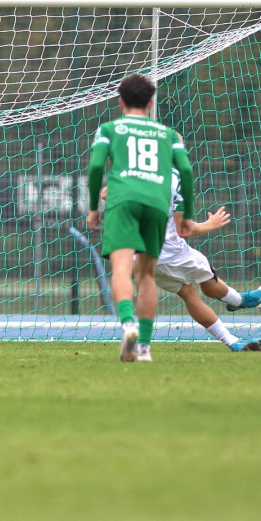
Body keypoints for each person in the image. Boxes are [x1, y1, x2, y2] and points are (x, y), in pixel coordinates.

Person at [87, 73, 194, 363]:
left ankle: (128, 324)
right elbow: (186, 171)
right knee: (147, 274)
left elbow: (97, 166)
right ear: (150, 102)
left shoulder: (109, 128)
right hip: (157, 204)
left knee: (122, 268)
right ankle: (144, 347)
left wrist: (94, 205)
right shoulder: (168, 134)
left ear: (120, 101)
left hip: (123, 200)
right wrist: (187, 216)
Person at [103, 176, 261, 352]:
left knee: (188, 293)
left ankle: (232, 341)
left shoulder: (136, 169)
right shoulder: (174, 176)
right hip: (171, 252)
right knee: (208, 279)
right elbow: (183, 229)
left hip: (140, 252)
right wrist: (210, 224)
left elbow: (106, 193)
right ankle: (237, 300)